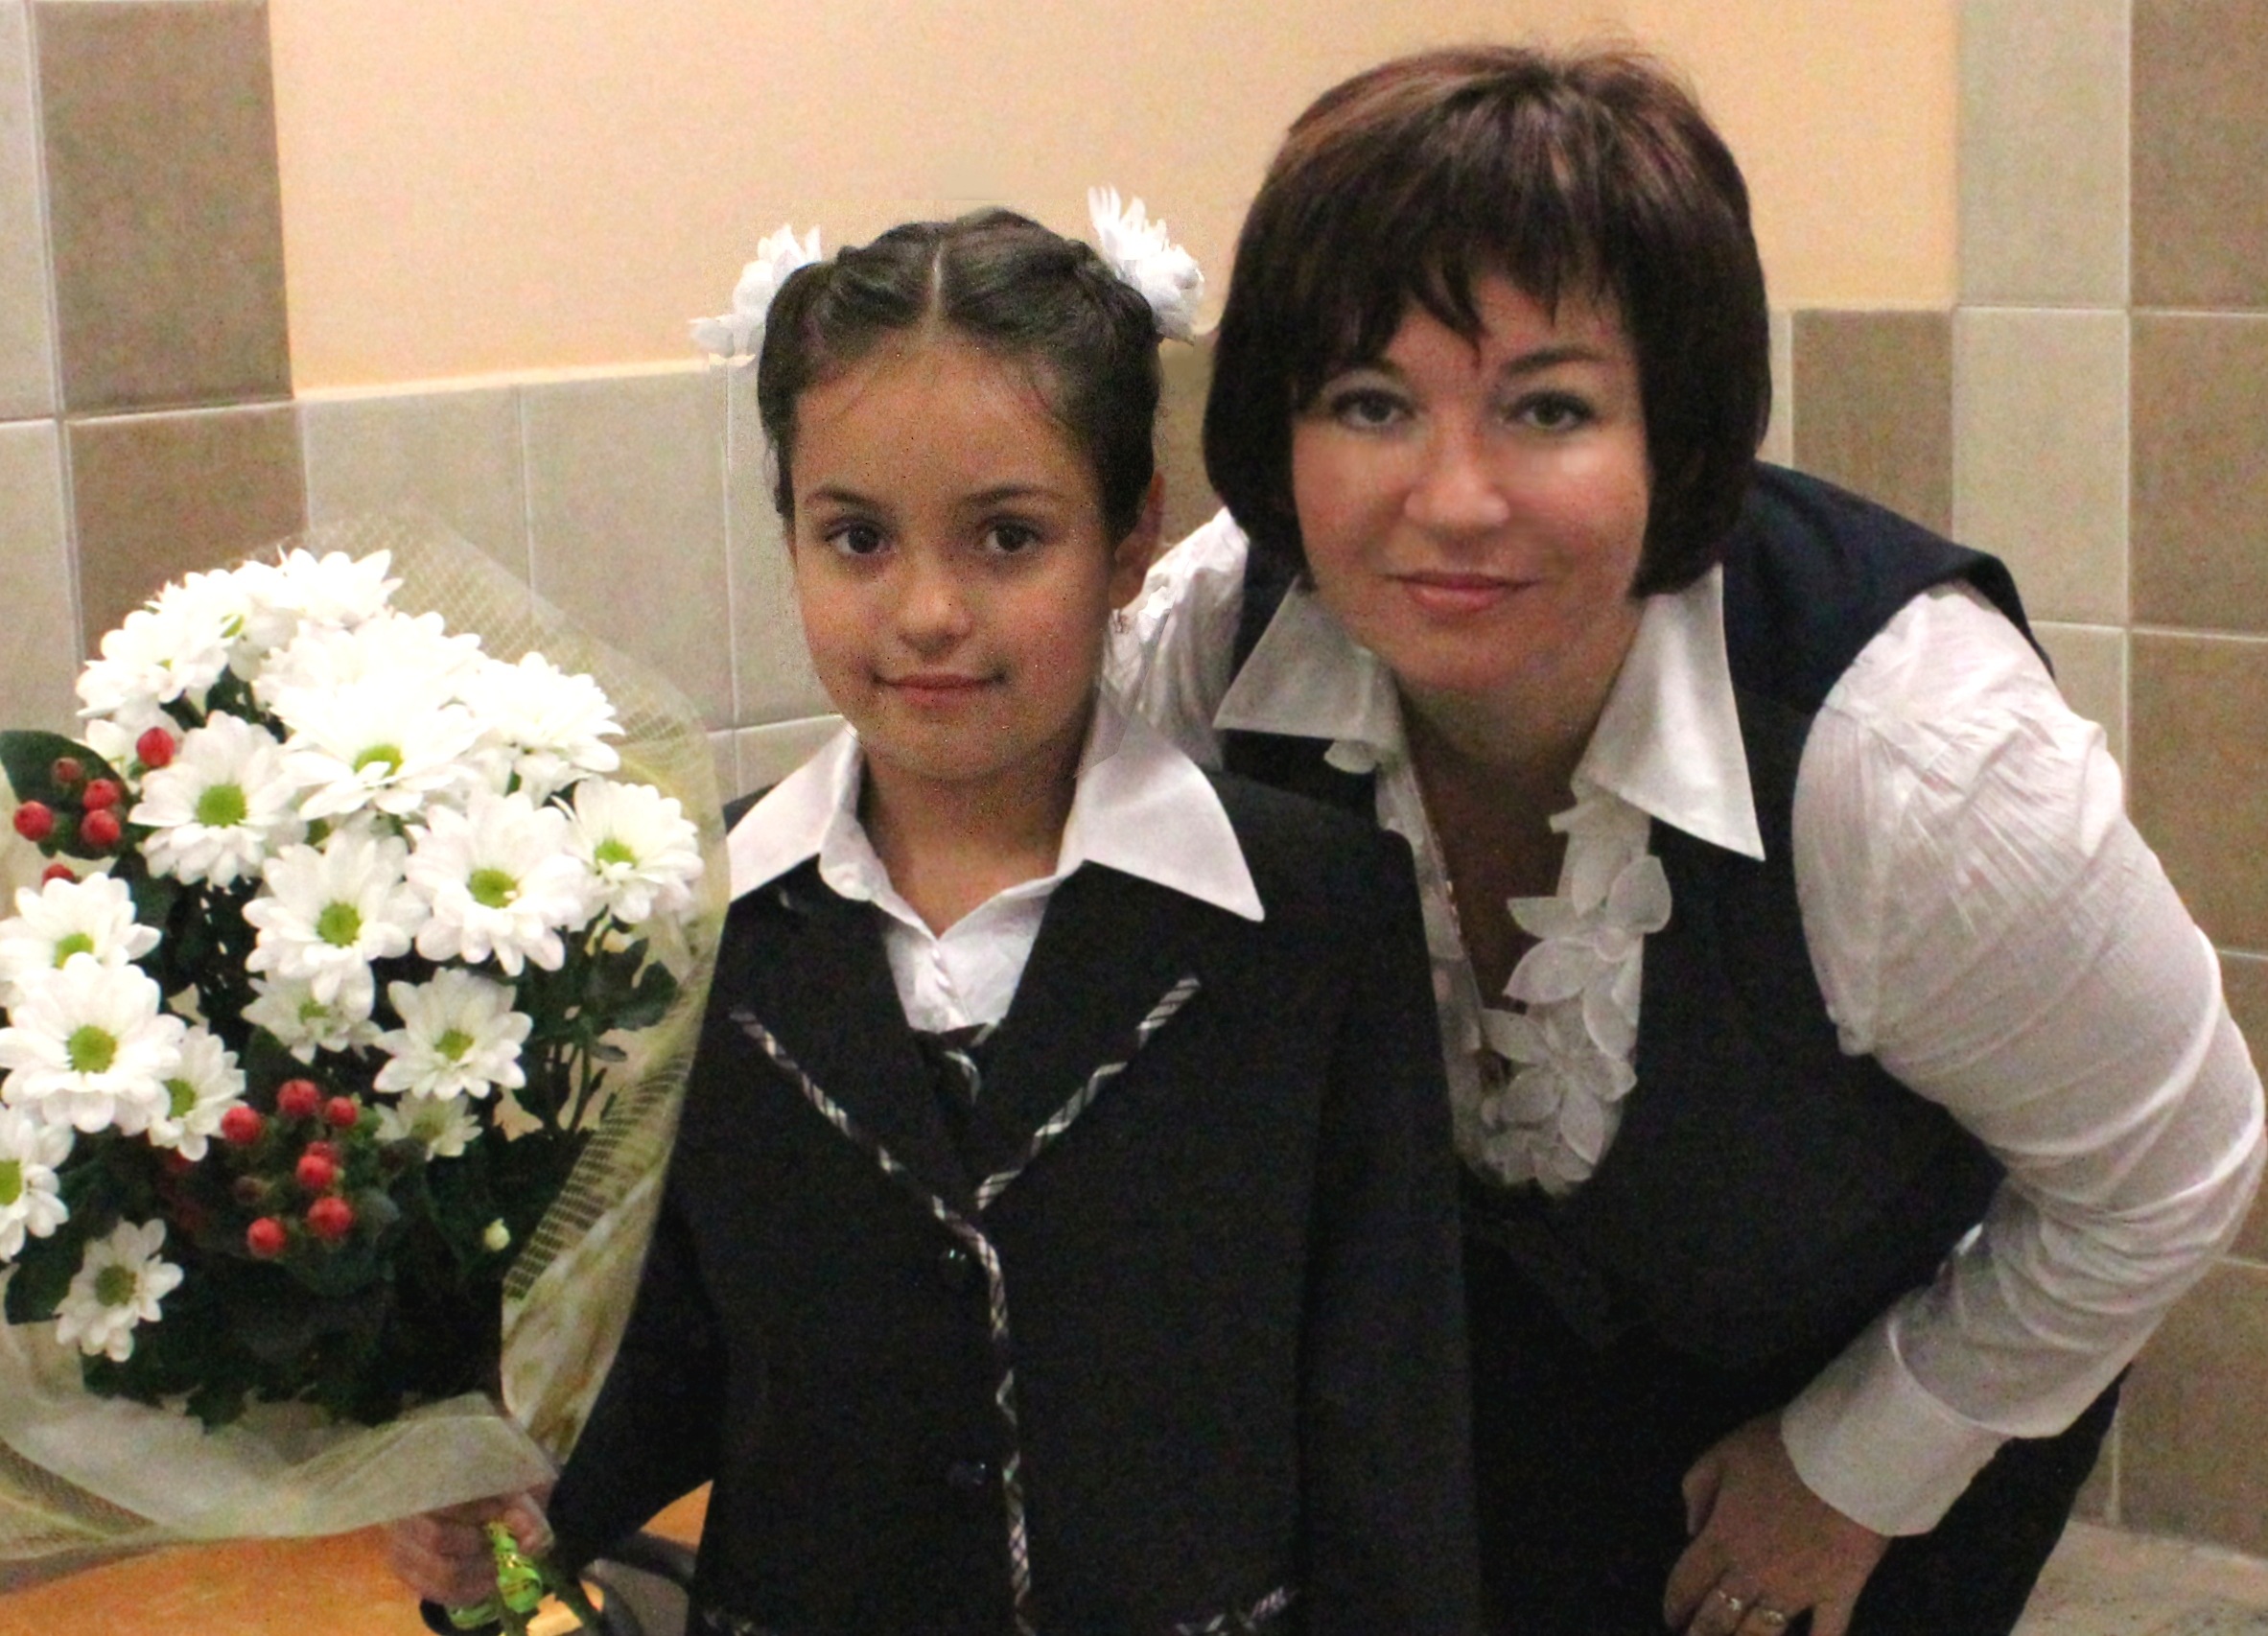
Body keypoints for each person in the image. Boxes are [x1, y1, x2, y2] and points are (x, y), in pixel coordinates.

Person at [1111, 43, 2266, 1636]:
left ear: (1677, 432)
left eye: (1549, 407)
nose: (1452, 499)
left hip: (1899, 1355)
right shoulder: (1213, 642)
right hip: (1500, 1363)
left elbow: (2178, 1167)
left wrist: (1856, 1466)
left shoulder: (1908, 760)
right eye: (1370, 402)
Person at [388, 206, 1481, 1635]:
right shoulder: (689, 916)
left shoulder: (1313, 916)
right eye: (856, 537)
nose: (926, 611)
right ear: (788, 532)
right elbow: (670, 1361)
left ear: (1132, 539)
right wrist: (501, 1523)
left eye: (1008, 537)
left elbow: (1387, 1428)